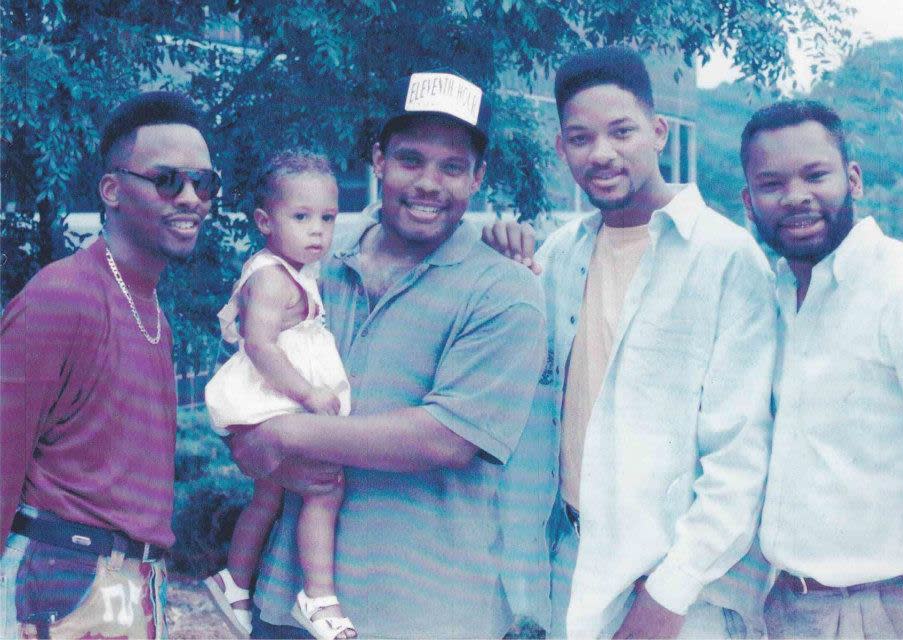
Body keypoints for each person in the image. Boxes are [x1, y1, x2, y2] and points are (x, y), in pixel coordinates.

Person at [227, 69, 547, 639]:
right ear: (378, 160)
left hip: (424, 614)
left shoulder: (505, 290)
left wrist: (278, 436)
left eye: (452, 167)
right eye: (410, 159)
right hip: (290, 607)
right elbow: (251, 373)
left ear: (478, 178)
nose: (428, 182)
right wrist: (247, 434)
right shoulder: (314, 261)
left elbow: (445, 438)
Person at [484, 46, 777, 638]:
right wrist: (499, 270)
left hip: (675, 588)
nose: (603, 153)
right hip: (567, 566)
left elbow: (741, 457)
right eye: (581, 138)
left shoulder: (724, 257)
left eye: (622, 132)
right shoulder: (558, 255)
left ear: (658, 132)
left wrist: (667, 598)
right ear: (562, 148)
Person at [0, 91, 220, 638]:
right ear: (112, 190)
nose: (191, 197)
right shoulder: (62, 297)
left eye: (204, 183)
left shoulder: (152, 313)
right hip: (61, 582)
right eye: (167, 180)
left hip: (135, 583)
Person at [739, 99, 903, 639]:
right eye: (772, 184)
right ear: (748, 201)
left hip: (888, 611)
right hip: (786, 607)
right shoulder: (775, 301)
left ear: (853, 178)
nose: (796, 197)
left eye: (816, 175)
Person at [201, 150, 354, 640]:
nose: (318, 231)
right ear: (265, 221)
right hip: (265, 405)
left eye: (328, 218)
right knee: (325, 487)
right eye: (302, 217)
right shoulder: (270, 276)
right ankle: (319, 596)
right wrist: (309, 394)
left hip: (273, 407)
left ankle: (234, 581)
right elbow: (260, 345)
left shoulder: (296, 272)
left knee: (267, 496)